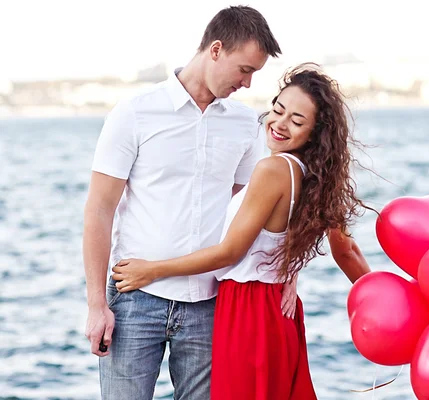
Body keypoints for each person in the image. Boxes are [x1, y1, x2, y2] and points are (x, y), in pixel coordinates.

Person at [111, 63, 373, 399]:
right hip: (276, 312)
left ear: (314, 132)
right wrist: (382, 297)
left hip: (248, 314)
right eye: (278, 110)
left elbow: (230, 252)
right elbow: (346, 251)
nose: (279, 124)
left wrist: (151, 270)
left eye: (296, 121)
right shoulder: (318, 178)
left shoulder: (272, 170)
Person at [82, 6, 282, 400]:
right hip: (135, 301)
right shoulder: (135, 113)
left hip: (209, 303)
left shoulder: (245, 124)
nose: (247, 83)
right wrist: (95, 305)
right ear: (216, 50)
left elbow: (246, 214)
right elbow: (99, 210)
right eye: (244, 69)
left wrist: (287, 274)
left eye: (254, 74)